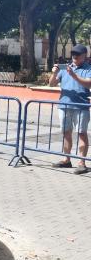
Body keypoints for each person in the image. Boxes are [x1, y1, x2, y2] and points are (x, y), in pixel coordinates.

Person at [49, 44, 91, 174]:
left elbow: (89, 84)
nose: (74, 56)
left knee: (82, 133)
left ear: (84, 56)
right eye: (73, 53)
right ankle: (67, 160)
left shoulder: (88, 69)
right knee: (66, 133)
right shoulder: (65, 68)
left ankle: (81, 163)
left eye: (77, 54)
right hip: (64, 105)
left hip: (81, 106)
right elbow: (51, 84)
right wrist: (54, 73)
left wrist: (73, 75)